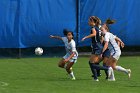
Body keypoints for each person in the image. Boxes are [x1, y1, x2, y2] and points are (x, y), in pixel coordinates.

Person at [81, 16, 113, 81]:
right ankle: (96, 77)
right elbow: (101, 37)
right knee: (92, 63)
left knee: (92, 64)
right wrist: (100, 43)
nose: (88, 22)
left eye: (89, 21)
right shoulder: (98, 28)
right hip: (97, 46)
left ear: (93, 22)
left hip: (97, 47)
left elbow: (94, 34)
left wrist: (85, 37)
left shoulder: (93, 28)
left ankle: (107, 69)